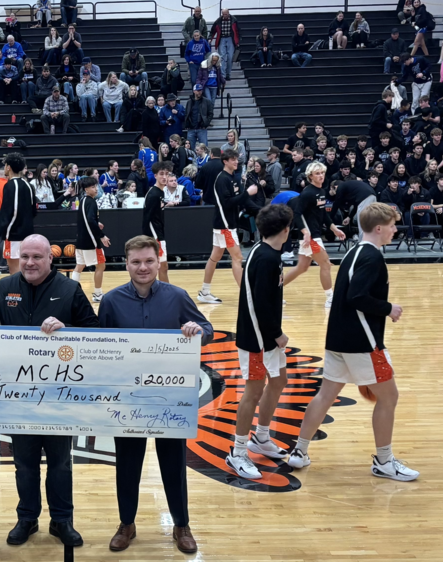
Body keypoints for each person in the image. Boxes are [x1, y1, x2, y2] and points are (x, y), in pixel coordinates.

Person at [285, 203, 417, 481]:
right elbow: (356, 297)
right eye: (392, 225)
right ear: (379, 228)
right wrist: (388, 308)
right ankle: (384, 461)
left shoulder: (353, 253)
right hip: (362, 342)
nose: (395, 230)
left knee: (326, 395)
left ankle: (299, 450)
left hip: (337, 339)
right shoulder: (372, 258)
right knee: (389, 396)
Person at [98, 234, 211, 554]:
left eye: (149, 261)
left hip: (170, 399)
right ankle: (126, 523)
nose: (143, 267)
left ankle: (181, 524)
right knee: (127, 464)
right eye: (136, 262)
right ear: (126, 264)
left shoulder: (178, 297)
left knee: (173, 463)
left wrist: (197, 331)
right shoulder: (111, 301)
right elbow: (97, 345)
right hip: (128, 400)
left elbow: (207, 329)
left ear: (159, 260)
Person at [0, 234, 100, 548]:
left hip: (58, 398)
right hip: (18, 397)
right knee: (23, 463)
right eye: (25, 256)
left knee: (60, 463)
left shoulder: (69, 289)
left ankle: (62, 520)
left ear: (50, 258)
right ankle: (27, 518)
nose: (30, 263)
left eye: (37, 257)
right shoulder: (4, 287)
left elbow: (94, 332)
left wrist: (69, 331)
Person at [225, 204, 294, 480]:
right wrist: (277, 334)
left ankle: (261, 438)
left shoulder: (266, 251)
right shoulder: (265, 258)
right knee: (253, 392)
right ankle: (238, 452)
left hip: (265, 336)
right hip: (258, 339)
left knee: (278, 382)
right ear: (286, 231)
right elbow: (262, 305)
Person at [283, 162, 348, 308]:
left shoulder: (322, 191)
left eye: (322, 173)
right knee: (325, 264)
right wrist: (305, 232)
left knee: (302, 267)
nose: (321, 176)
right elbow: (297, 213)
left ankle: (274, 290)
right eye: (317, 173)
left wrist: (334, 229)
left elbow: (323, 214)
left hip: (315, 234)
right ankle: (330, 298)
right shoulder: (307, 193)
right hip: (310, 236)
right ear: (310, 176)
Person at [198, 148, 256, 303]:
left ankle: (204, 292)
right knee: (237, 257)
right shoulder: (222, 179)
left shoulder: (234, 177)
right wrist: (247, 193)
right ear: (225, 161)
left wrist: (260, 210)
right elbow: (228, 203)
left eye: (237, 159)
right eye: (233, 159)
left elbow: (240, 200)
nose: (236, 161)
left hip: (226, 224)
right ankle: (247, 295)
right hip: (225, 224)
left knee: (214, 257)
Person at [0, 152, 35, 276]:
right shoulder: (29, 185)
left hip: (13, 235)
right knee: (27, 270)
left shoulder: (10, 185)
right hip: (28, 235)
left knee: (15, 272)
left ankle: (20, 295)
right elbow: (34, 212)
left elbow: (6, 213)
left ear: (8, 167)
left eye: (5, 165)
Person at [71, 176, 109, 302]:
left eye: (96, 186)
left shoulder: (83, 200)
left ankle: (70, 292)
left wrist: (96, 223)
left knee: (79, 266)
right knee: (101, 266)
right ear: (86, 189)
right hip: (90, 241)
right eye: (93, 187)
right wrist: (102, 235)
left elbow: (86, 220)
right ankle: (98, 294)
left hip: (80, 240)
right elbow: (90, 220)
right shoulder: (91, 202)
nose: (96, 189)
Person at [142, 161, 172, 282]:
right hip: (155, 236)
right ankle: (166, 294)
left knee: (161, 267)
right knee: (162, 267)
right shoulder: (154, 194)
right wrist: (154, 238)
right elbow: (147, 219)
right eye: (161, 174)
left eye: (166, 174)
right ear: (155, 175)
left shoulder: (160, 192)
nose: (164, 177)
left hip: (158, 234)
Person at [209, 9, 239, 81]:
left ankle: (228, 74)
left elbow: (238, 30)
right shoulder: (218, 20)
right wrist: (210, 38)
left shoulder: (234, 20)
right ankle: (223, 75)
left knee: (230, 57)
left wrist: (238, 41)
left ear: (228, 13)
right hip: (222, 38)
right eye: (223, 14)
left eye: (225, 14)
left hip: (230, 38)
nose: (224, 15)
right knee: (222, 57)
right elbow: (213, 30)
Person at [185, 84, 214, 149]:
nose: (199, 92)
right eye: (198, 90)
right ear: (194, 91)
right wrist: (187, 124)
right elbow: (186, 114)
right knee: (190, 149)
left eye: (200, 90)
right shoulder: (189, 102)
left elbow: (210, 114)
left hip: (202, 128)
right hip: (191, 128)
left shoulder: (207, 101)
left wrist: (206, 123)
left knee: (204, 148)